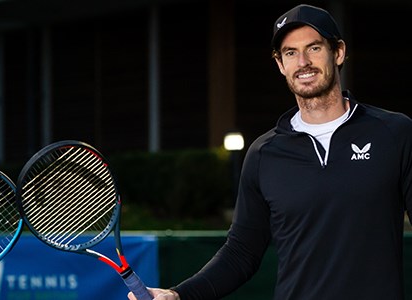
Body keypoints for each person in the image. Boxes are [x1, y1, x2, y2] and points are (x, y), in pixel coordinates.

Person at [130, 4, 412, 300]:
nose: (303, 62)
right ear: (280, 64)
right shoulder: (264, 154)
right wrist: (179, 295)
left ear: (338, 52)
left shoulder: (394, 133)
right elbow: (241, 252)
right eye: (290, 53)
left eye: (314, 48)